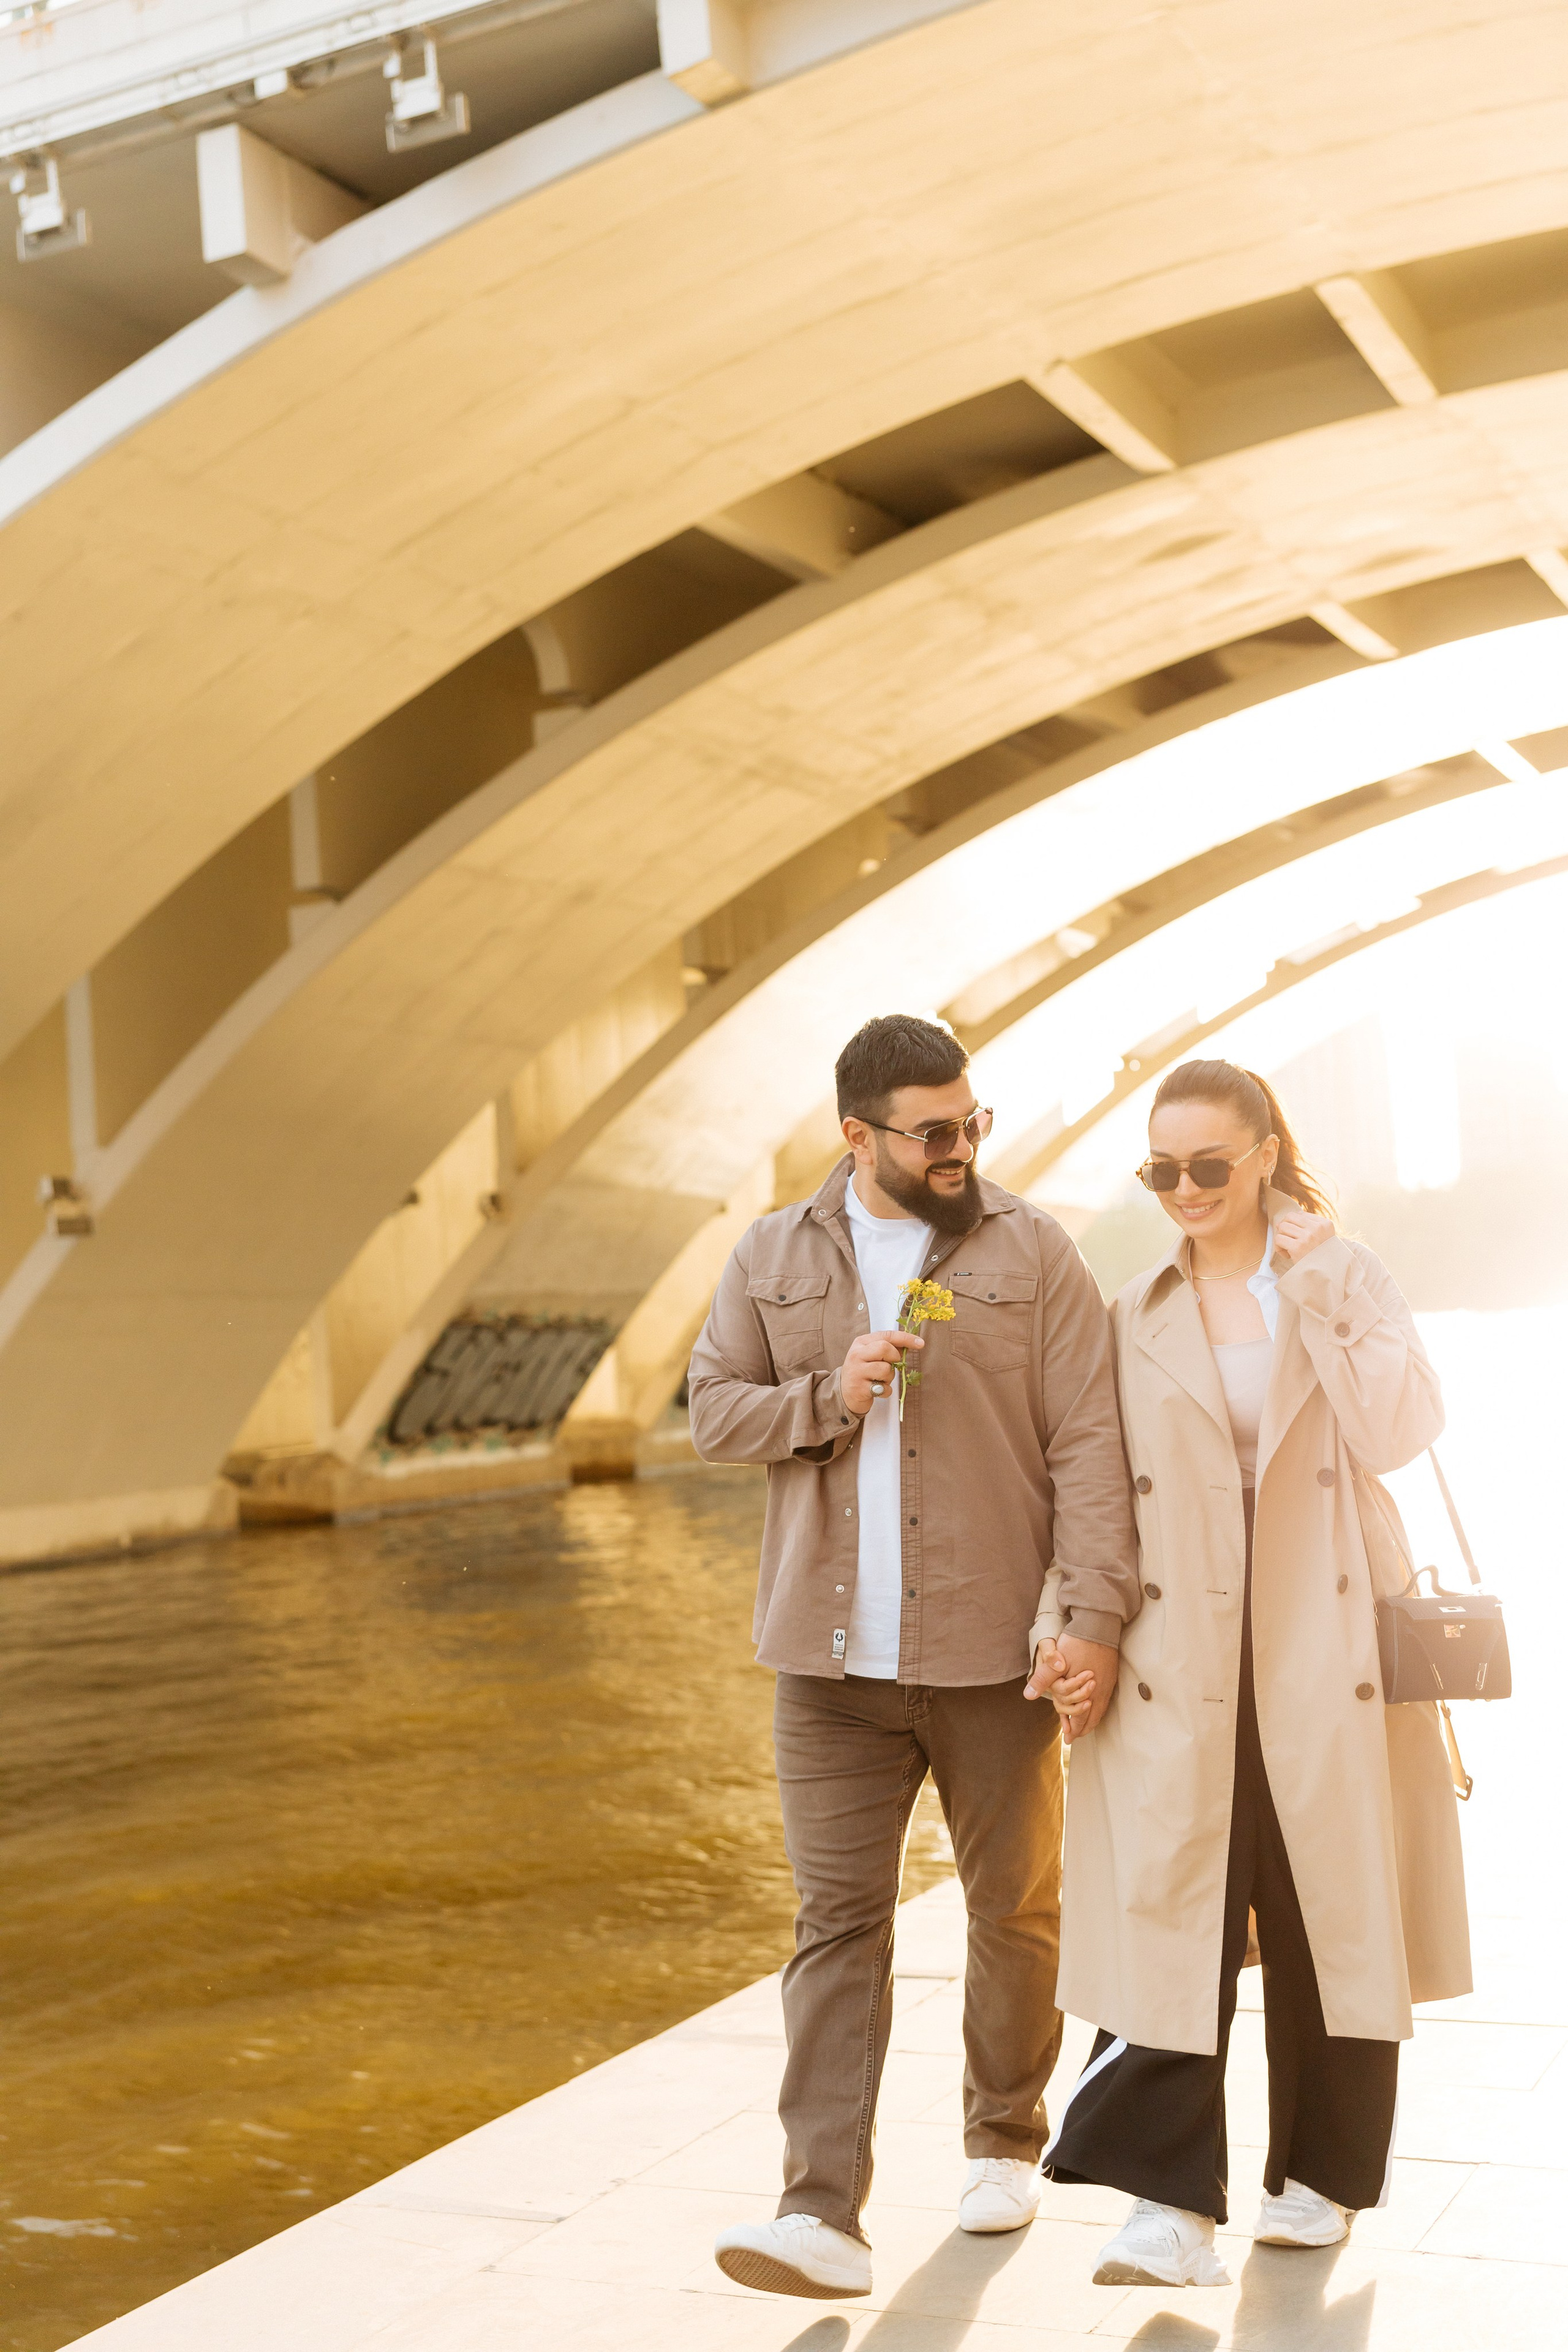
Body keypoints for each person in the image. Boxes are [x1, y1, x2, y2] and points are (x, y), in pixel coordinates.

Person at [687, 1013, 1139, 2299]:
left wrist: (1089, 1614)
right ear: (857, 1135)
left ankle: (1003, 2135)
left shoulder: (1032, 1251)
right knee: (835, 1924)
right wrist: (823, 1399)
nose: (959, 1150)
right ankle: (817, 2210)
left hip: (994, 1658)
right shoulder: (770, 1254)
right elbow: (712, 1409)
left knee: (1013, 1907)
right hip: (825, 1672)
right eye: (932, 1132)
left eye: (970, 1124)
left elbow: (1089, 1451)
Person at [1031, 1058, 1472, 2288]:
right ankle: (1167, 2211)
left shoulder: (1341, 1280)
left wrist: (1317, 1276)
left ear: (1264, 1154)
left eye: (1207, 1165)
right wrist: (1067, 1628)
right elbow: (1091, 1493)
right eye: (1159, 1169)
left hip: (1323, 1647)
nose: (1183, 1188)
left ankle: (1317, 2176)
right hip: (1179, 1655)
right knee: (1174, 1911)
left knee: (1324, 1912)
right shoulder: (1133, 1312)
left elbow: (1397, 1429)